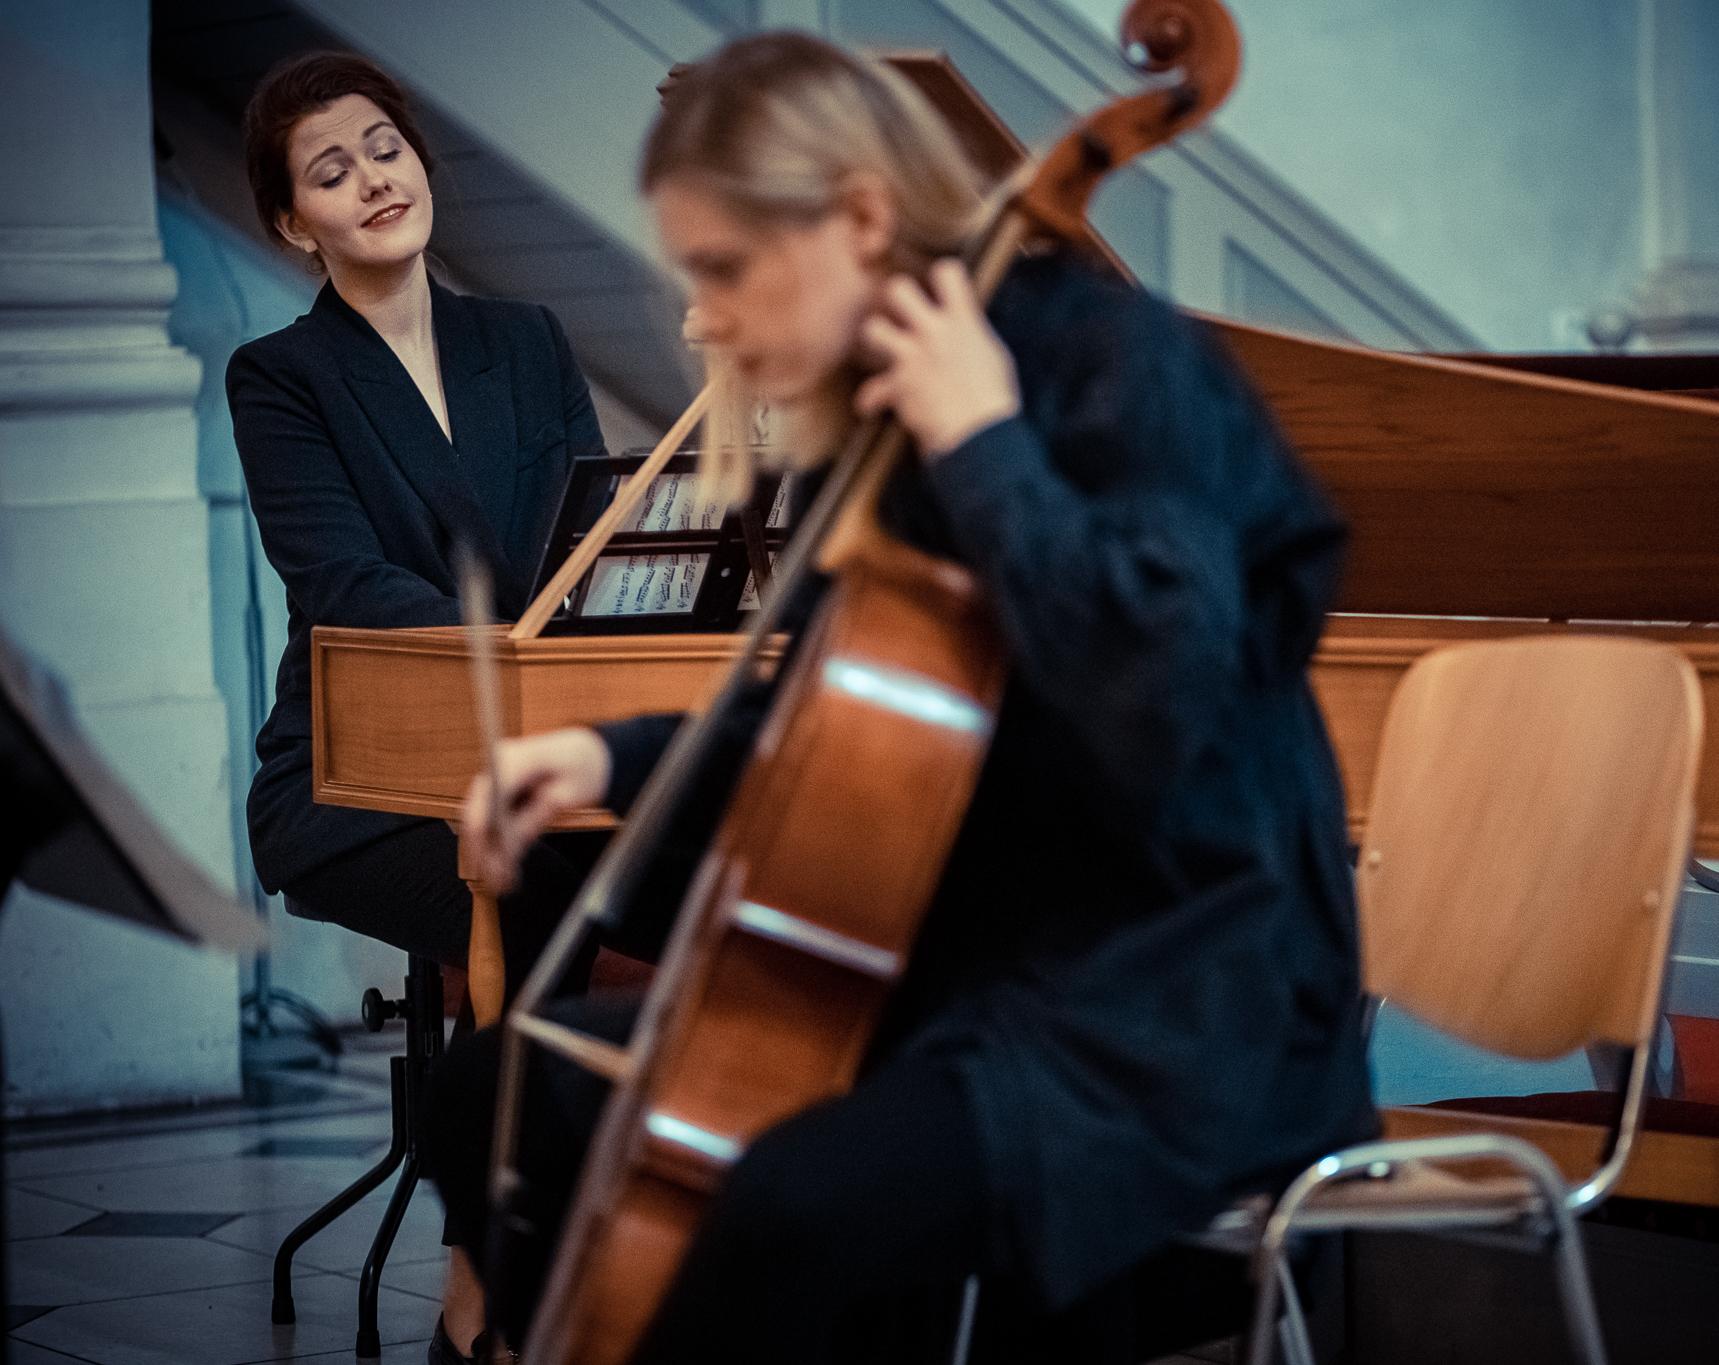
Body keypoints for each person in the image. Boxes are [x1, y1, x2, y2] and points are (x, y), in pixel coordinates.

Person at [428, 31, 1376, 1364]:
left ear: (863, 219)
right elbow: (849, 739)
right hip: (980, 983)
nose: (705, 317)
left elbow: (1155, 693)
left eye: (724, 268)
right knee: (495, 1090)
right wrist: (605, 759)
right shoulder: (884, 420)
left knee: (790, 1208)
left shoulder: (1116, 368)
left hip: (1176, 1015)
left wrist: (984, 444)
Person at [226, 51, 617, 1365]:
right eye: (330, 172)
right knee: (545, 882)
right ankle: (485, 1285)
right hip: (353, 777)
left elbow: (584, 544)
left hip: (521, 750)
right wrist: (513, 651)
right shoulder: (282, 375)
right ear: (296, 223)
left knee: (640, 858)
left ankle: (578, 1240)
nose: (372, 181)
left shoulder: (529, 337)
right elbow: (343, 581)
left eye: (383, 147)